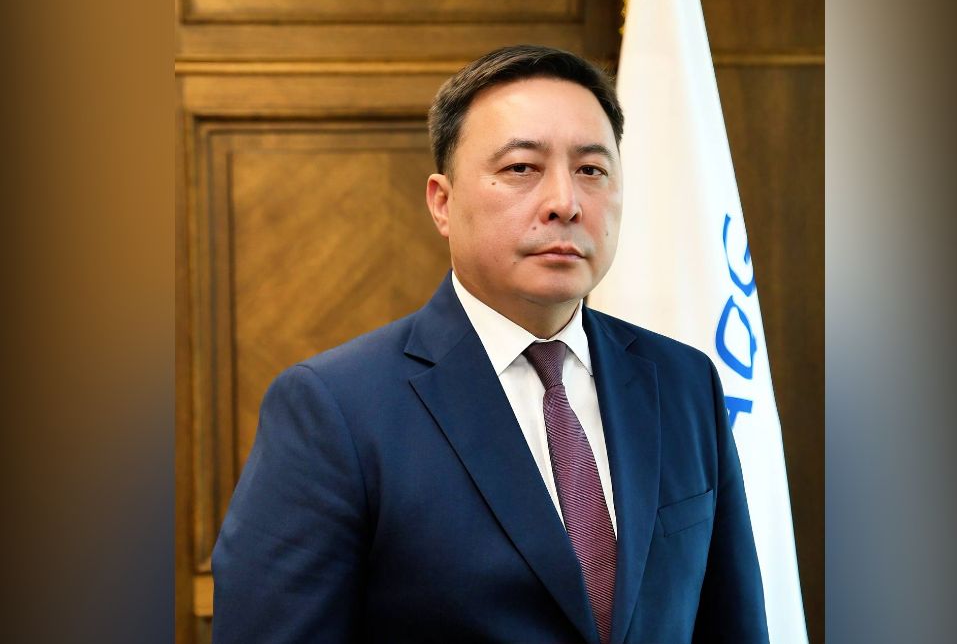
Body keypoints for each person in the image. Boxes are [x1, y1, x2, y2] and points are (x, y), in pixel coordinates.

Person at [212, 44, 768, 643]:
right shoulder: (335, 408)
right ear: (443, 203)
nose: (565, 203)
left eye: (591, 170)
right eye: (522, 168)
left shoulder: (683, 382)